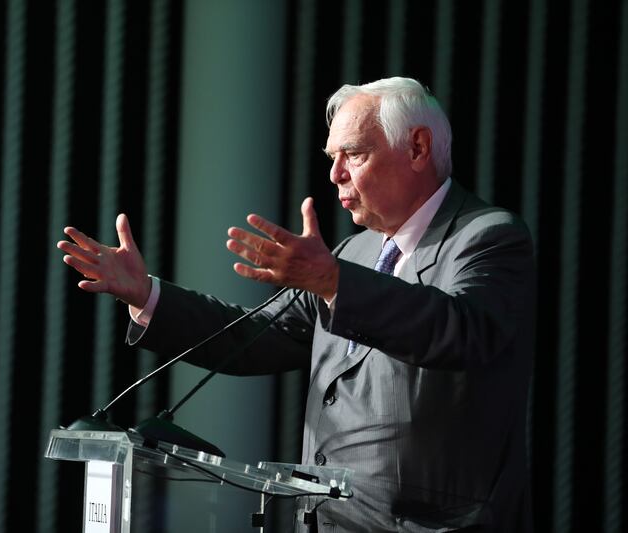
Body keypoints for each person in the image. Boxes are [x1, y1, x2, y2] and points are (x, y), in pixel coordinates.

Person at [58, 77, 535, 532]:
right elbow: (253, 337)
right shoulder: (355, 253)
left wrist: (333, 282)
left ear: (417, 148)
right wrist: (147, 295)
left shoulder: (487, 238)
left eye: (354, 154)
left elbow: (458, 331)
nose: (335, 174)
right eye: (332, 157)